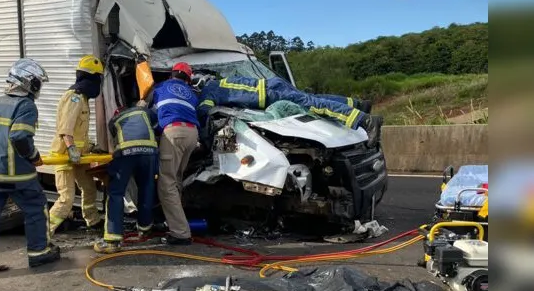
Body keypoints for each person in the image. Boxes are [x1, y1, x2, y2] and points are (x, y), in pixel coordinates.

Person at [0, 58, 60, 279]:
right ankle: (39, 252)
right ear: (28, 82)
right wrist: (34, 156)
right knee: (36, 207)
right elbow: (19, 136)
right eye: (38, 82)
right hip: (15, 174)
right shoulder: (26, 106)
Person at [197, 75, 383, 146]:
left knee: (312, 104)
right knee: (312, 100)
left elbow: (205, 110)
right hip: (271, 85)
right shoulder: (221, 81)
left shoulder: (209, 89)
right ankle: (357, 104)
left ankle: (364, 120)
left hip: (269, 93)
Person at [47, 55, 105, 234]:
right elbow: (66, 127)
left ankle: (92, 221)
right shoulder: (75, 97)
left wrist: (90, 147)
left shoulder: (84, 98)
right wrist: (71, 148)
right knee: (66, 198)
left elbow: (80, 132)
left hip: (79, 156)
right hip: (64, 155)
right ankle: (43, 233)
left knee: (89, 189)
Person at [93, 103, 159, 254]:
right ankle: (145, 228)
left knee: (116, 192)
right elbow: (156, 123)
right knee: (147, 187)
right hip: (149, 152)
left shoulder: (114, 120)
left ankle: (112, 240)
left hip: (126, 152)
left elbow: (114, 139)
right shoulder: (144, 111)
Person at [150, 62, 200, 246]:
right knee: (176, 179)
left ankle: (180, 233)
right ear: (188, 78)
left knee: (166, 184)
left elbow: (153, 113)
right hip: (192, 134)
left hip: (174, 133)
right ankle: (174, 222)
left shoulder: (162, 87)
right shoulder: (192, 95)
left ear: (172, 75)